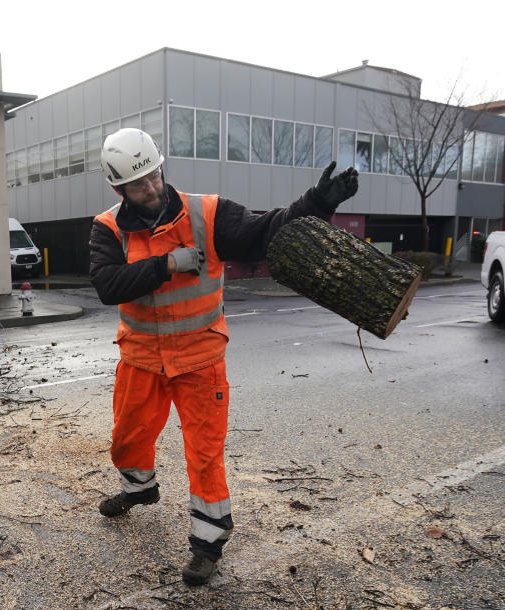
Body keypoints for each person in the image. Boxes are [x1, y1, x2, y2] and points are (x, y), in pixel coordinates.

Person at [89, 128, 358, 585]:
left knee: (205, 455)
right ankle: (139, 489)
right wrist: (167, 265)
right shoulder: (108, 227)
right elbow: (107, 285)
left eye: (154, 176)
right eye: (139, 185)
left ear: (161, 167)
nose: (151, 189)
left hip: (200, 360)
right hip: (140, 361)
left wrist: (317, 204)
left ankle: (208, 544)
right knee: (127, 440)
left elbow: (264, 233)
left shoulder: (208, 214)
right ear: (119, 189)